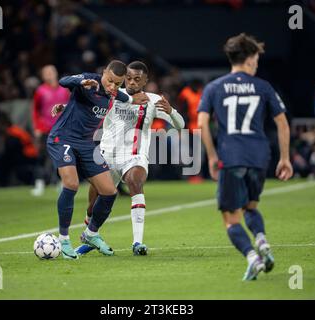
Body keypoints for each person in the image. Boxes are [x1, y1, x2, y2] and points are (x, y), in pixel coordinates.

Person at [197, 33, 293, 281]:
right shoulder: (263, 86)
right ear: (249, 59)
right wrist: (285, 158)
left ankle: (253, 257)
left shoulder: (214, 87)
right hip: (260, 157)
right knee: (251, 206)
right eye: (257, 58)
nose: (257, 63)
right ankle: (261, 240)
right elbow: (282, 124)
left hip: (231, 158)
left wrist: (211, 156)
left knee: (231, 218)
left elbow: (202, 123)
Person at [75, 61, 185, 256]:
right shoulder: (113, 95)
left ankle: (137, 243)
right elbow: (89, 111)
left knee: (135, 182)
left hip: (134, 157)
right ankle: (90, 235)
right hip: (106, 156)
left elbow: (180, 125)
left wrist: (171, 112)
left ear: (145, 81)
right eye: (129, 78)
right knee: (93, 205)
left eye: (137, 79)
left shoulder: (152, 100)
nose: (132, 83)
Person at [48, 60, 149, 259]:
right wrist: (80, 83)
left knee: (109, 192)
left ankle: (91, 234)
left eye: (117, 84)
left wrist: (135, 100)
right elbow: (63, 81)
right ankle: (63, 240)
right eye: (110, 81)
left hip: (86, 145)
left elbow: (123, 98)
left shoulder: (115, 94)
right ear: (104, 73)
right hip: (63, 138)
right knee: (71, 184)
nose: (112, 87)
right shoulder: (89, 80)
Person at [31, 65, 70, 196]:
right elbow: (35, 111)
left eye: (51, 72)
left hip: (61, 129)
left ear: (56, 73)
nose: (49, 74)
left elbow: (70, 107)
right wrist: (37, 127)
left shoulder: (64, 90)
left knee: (61, 157)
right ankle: (39, 183)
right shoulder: (40, 91)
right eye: (46, 72)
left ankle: (60, 183)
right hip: (45, 129)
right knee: (41, 157)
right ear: (42, 76)